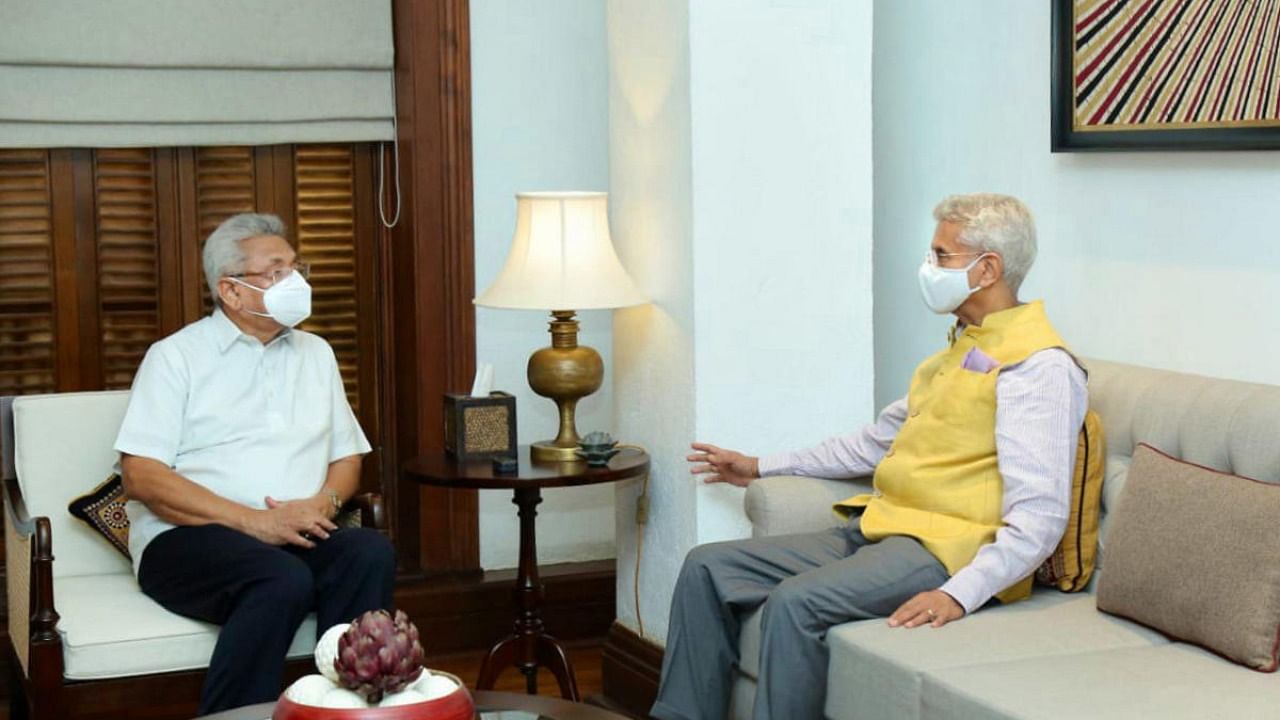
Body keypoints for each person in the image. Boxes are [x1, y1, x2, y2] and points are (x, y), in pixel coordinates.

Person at [650, 193, 1088, 720]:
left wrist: (959, 593)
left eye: (941, 256)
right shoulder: (960, 349)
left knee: (797, 602)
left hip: (944, 550)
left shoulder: (1038, 369)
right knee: (706, 567)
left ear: (987, 268)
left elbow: (1040, 516)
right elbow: (873, 442)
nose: (928, 268)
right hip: (879, 526)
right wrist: (760, 465)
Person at [115, 213, 395, 714]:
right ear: (232, 290)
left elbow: (347, 455)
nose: (296, 282)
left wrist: (322, 503)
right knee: (280, 579)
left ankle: (348, 707)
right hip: (185, 540)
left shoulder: (316, 353)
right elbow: (141, 476)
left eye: (297, 267)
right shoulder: (175, 357)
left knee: (368, 552)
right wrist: (258, 523)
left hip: (294, 533)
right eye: (276, 271)